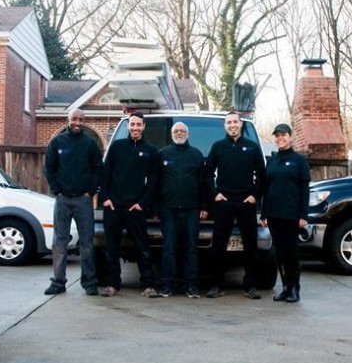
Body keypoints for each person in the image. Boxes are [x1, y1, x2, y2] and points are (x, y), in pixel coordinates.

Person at [205, 111, 266, 299]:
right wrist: (215, 194)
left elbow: (262, 175)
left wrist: (255, 196)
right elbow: (207, 173)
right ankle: (217, 285)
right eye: (229, 122)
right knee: (218, 245)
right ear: (225, 126)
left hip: (246, 202)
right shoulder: (218, 147)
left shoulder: (252, 147)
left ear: (241, 125)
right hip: (224, 202)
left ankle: (251, 286)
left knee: (250, 245)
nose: (232, 125)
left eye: (235, 122)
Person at [99, 111, 159, 298]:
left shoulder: (150, 151)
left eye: (138, 124)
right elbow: (105, 173)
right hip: (114, 207)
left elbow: (153, 181)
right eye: (132, 124)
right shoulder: (117, 147)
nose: (135, 127)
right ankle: (112, 284)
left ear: (144, 126)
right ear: (128, 126)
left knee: (143, 248)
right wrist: (105, 198)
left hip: (136, 209)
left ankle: (148, 285)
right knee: (111, 249)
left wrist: (142, 203)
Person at [44, 108, 103, 296]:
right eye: (74, 119)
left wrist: (90, 192)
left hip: (83, 201)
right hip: (63, 200)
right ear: (68, 120)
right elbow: (49, 168)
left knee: (87, 243)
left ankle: (89, 283)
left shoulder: (90, 144)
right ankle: (58, 282)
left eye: (80, 120)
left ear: (84, 122)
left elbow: (98, 169)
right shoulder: (57, 142)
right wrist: (57, 191)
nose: (77, 123)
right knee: (59, 242)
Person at [157, 121, 212, 298]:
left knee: (191, 249)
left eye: (182, 131)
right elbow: (156, 183)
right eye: (176, 131)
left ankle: (191, 286)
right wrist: (156, 208)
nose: (179, 133)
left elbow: (204, 183)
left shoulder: (196, 155)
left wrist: (204, 206)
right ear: (172, 134)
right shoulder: (162, 154)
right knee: (169, 249)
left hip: (192, 210)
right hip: (168, 210)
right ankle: (167, 285)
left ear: (188, 135)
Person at [261, 123, 310, 303]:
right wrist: (264, 214)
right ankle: (285, 288)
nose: (280, 138)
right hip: (274, 214)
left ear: (290, 137)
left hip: (291, 215)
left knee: (291, 253)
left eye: (283, 135)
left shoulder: (299, 161)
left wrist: (303, 215)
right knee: (279, 253)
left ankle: (294, 288)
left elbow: (305, 190)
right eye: (277, 136)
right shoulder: (272, 161)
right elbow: (266, 188)